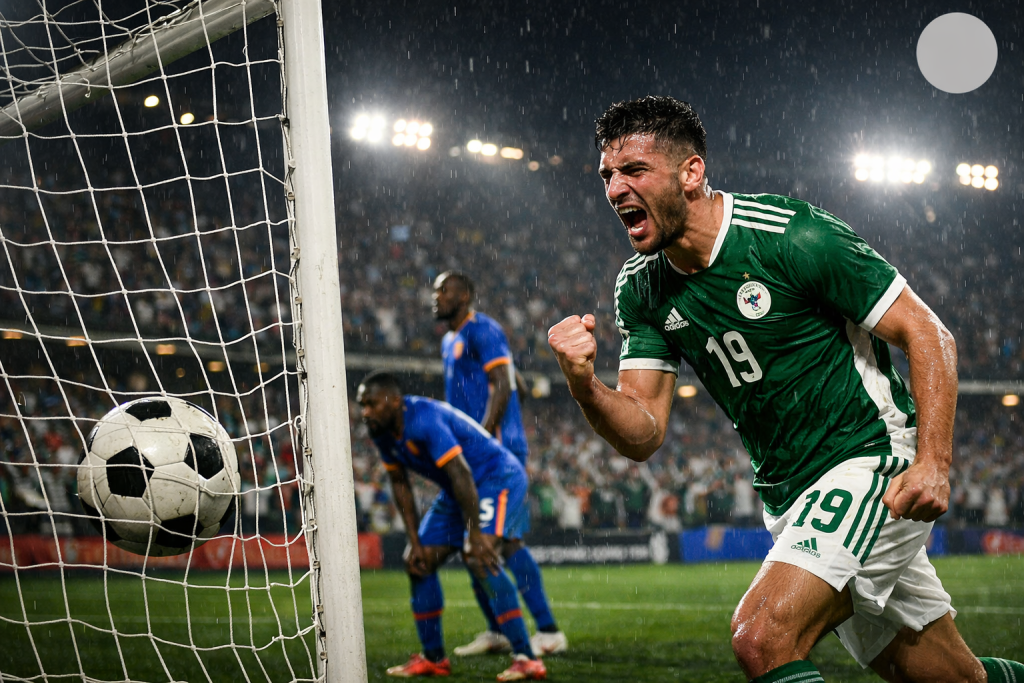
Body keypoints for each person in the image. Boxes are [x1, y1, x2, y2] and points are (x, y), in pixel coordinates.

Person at [546, 95, 1024, 683]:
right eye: (608, 176)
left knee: (762, 637)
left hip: (871, 461)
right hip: (789, 497)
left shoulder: (790, 236)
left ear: (691, 172)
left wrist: (933, 462)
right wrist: (584, 386)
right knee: (956, 679)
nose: (616, 188)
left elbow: (928, 334)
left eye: (635, 171)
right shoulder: (641, 289)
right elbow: (643, 431)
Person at [356, 371, 547, 680]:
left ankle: (526, 658)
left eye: (371, 404)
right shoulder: (381, 430)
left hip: (497, 478)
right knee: (418, 561)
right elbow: (399, 483)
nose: (365, 412)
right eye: (362, 405)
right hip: (458, 488)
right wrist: (415, 541)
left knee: (478, 555)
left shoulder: (424, 419)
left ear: (393, 401)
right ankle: (434, 659)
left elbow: (460, 473)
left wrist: (474, 534)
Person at [432, 272, 567, 657]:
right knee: (473, 542)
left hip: (494, 453)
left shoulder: (483, 329)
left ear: (466, 295)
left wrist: (489, 432)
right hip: (472, 454)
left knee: (504, 542)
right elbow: (516, 382)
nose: (436, 297)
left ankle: (548, 631)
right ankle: (499, 631)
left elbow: (506, 384)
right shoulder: (449, 340)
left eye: (444, 290)